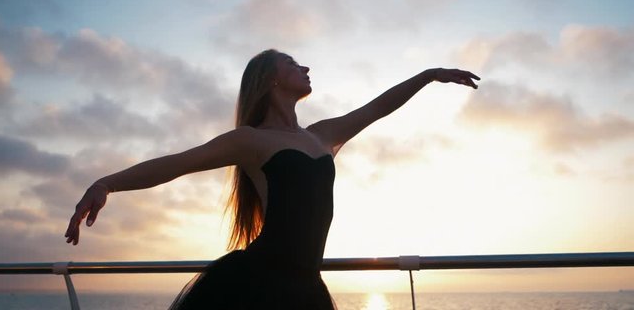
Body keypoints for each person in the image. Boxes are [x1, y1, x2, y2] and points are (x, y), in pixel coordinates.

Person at [64, 49, 480, 309]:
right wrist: (107, 183)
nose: (306, 66)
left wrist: (428, 76)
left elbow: (376, 108)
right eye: (292, 62)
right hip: (257, 286)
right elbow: (176, 163)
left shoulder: (322, 135)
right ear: (272, 79)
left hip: (306, 287)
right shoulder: (251, 140)